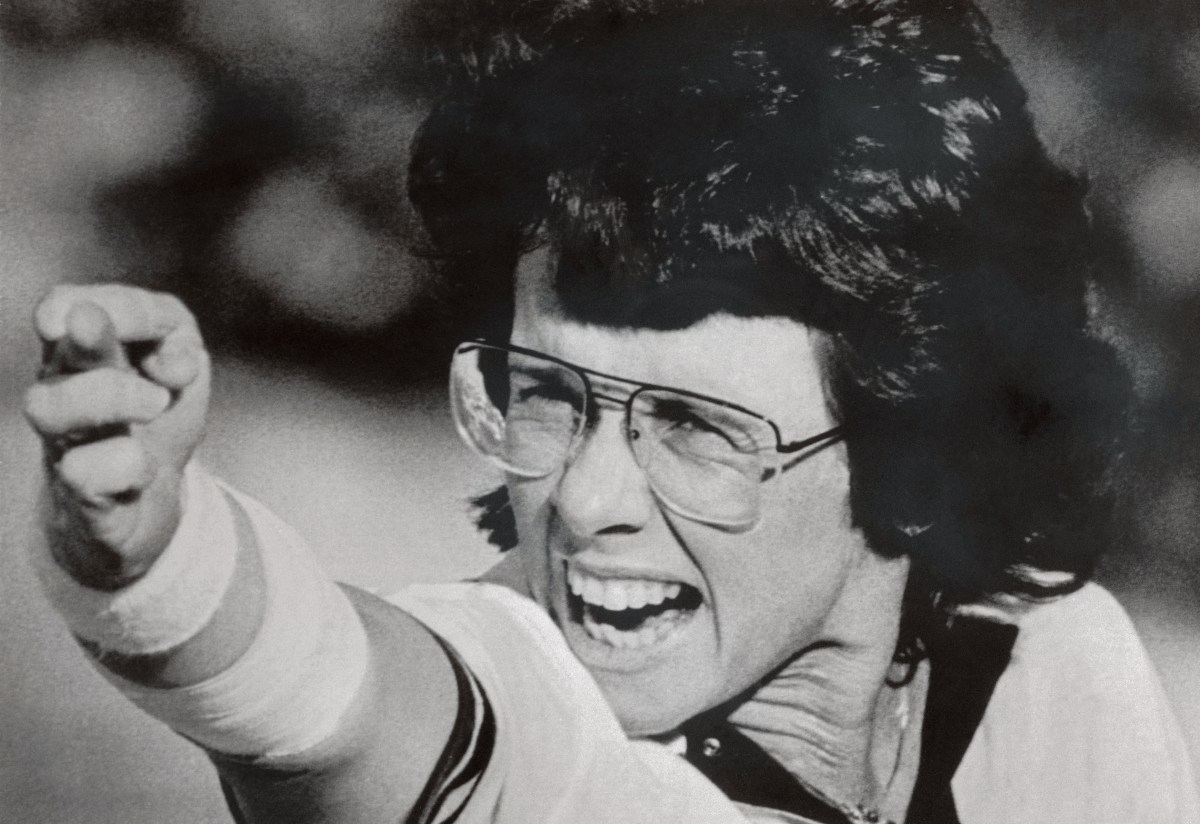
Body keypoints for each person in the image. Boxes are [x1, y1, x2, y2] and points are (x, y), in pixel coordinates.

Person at [23, 1, 1198, 822]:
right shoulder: (532, 722)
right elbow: (331, 699)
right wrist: (152, 555)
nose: (584, 500)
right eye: (547, 394)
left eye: (694, 427)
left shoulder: (1051, 666)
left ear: (919, 453)